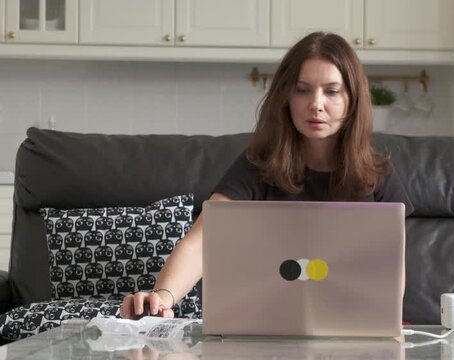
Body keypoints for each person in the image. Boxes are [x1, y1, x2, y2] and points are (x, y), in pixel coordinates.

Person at [120, 31, 414, 319]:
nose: (316, 104)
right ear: (286, 96)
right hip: (268, 328)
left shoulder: (380, 175)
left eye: (332, 91)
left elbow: (391, 275)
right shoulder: (257, 165)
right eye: (302, 89)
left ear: (353, 101)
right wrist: (163, 296)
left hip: (355, 327)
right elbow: (203, 240)